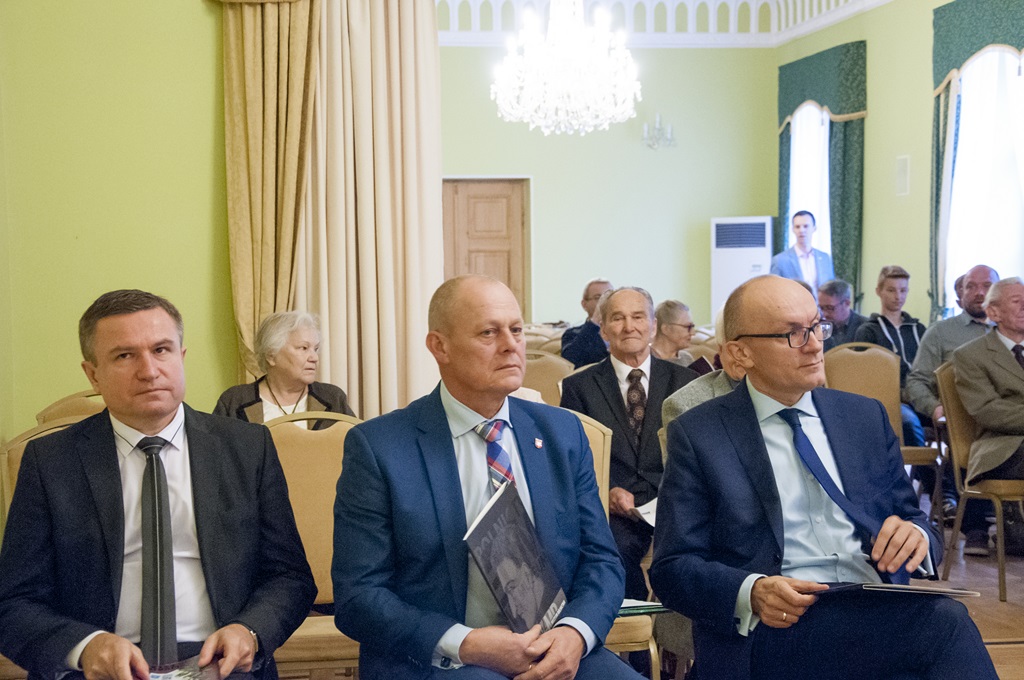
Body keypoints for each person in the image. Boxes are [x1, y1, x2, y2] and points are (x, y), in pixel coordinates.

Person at [650, 275, 994, 680]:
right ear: (741, 353)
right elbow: (672, 567)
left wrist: (916, 536)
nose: (815, 345)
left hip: (871, 604)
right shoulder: (701, 433)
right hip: (778, 624)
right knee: (945, 626)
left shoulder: (863, 417)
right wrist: (751, 591)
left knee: (944, 625)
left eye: (817, 327)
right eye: (793, 334)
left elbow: (913, 519)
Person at [332, 275, 642, 680]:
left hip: (556, 648)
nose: (511, 344)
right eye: (488, 333)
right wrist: (465, 643)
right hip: (443, 659)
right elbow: (358, 596)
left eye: (516, 330)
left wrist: (575, 633)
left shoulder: (563, 433)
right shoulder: (380, 447)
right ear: (439, 346)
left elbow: (601, 560)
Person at [0, 289, 315, 680]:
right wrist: (85, 647)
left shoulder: (248, 448)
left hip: (220, 664)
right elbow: (14, 602)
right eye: (124, 355)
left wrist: (248, 631)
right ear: (92, 374)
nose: (149, 371)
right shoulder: (51, 461)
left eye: (161, 350)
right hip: (99, 668)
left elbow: (290, 577)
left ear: (181, 356)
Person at [560, 287, 698, 606]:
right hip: (614, 508)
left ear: (653, 325)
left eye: (638, 317)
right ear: (603, 329)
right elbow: (572, 458)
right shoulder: (579, 386)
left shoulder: (685, 381)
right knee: (614, 550)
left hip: (674, 501)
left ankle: (677, 633)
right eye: (617, 318)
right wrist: (606, 491)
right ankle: (634, 633)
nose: (629, 327)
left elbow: (699, 453)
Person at [906, 265, 999, 525]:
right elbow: (916, 382)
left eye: (987, 286)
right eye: (971, 286)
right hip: (962, 420)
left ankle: (1008, 521)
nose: (979, 292)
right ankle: (977, 523)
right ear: (960, 293)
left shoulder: (1011, 330)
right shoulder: (941, 332)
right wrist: (936, 408)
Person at [952, 276, 1024, 556]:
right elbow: (988, 411)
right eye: (1017, 301)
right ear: (993, 312)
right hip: (1000, 449)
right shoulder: (971, 355)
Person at [214, 311, 355, 428]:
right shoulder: (234, 401)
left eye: (316, 349)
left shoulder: (333, 398)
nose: (314, 358)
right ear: (271, 356)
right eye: (303, 348)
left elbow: (358, 448)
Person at [854, 265, 928, 447]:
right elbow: (865, 377)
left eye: (903, 290)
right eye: (891, 290)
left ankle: (952, 466)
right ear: (878, 291)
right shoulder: (868, 331)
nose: (898, 296)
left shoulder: (918, 329)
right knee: (909, 423)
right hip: (891, 400)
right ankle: (922, 466)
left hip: (922, 395)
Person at [769, 211, 835, 292]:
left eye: (806, 226)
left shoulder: (825, 258)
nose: (801, 230)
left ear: (814, 228)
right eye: (797, 227)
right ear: (793, 229)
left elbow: (831, 288)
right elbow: (774, 291)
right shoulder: (780, 260)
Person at [561, 278, 613, 368]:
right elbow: (569, 362)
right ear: (584, 304)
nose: (605, 302)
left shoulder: (625, 330)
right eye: (598, 298)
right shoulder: (572, 334)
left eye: (609, 297)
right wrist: (595, 322)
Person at [816, 279, 866, 352]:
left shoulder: (865, 327)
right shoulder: (820, 326)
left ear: (847, 303)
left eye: (830, 308)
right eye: (821, 308)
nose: (824, 313)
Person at [650, 300, 697, 367]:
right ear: (666, 329)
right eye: (688, 327)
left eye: (692, 326)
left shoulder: (687, 359)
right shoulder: (645, 359)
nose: (693, 333)